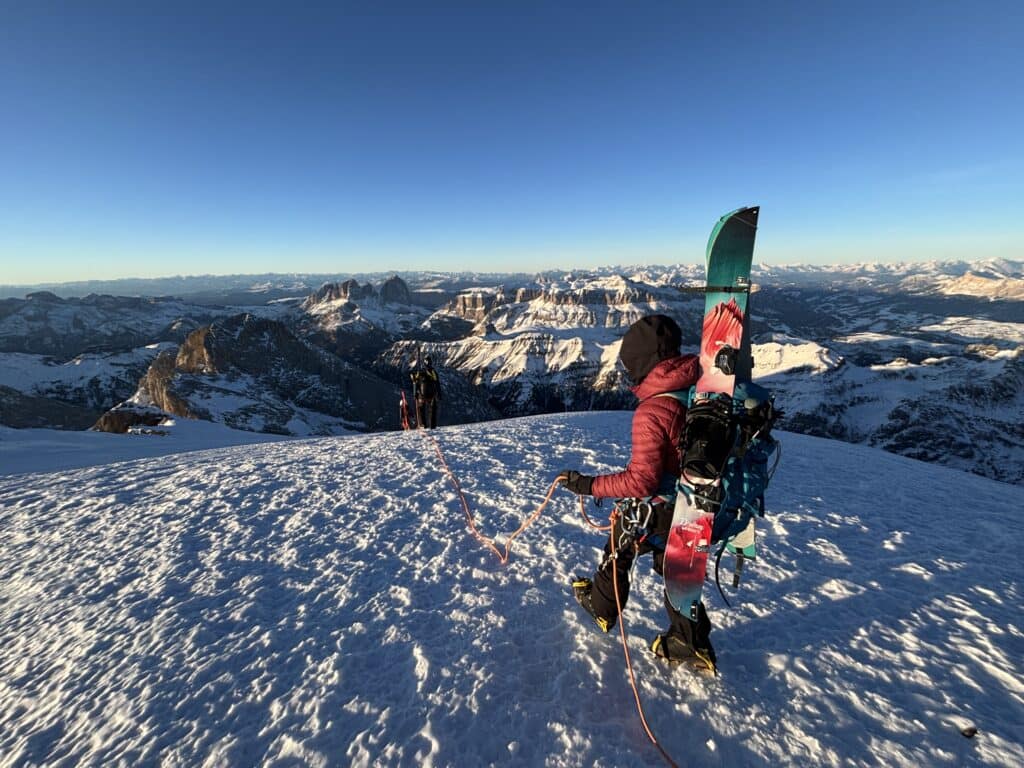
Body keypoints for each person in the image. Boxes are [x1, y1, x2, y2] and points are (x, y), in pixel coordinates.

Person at [558, 314, 717, 673]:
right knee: (677, 569)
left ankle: (602, 608)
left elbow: (642, 482)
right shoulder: (702, 386)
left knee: (620, 543)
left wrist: (588, 485)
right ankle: (690, 641)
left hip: (664, 506)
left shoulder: (653, 409)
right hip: (699, 502)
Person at [410, 356, 441, 429]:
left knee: (423, 410)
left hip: (423, 395)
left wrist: (415, 393)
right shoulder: (432, 372)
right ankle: (431, 426)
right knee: (431, 410)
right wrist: (439, 394)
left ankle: (425, 425)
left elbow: (415, 382)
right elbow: (437, 383)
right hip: (430, 394)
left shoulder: (422, 372)